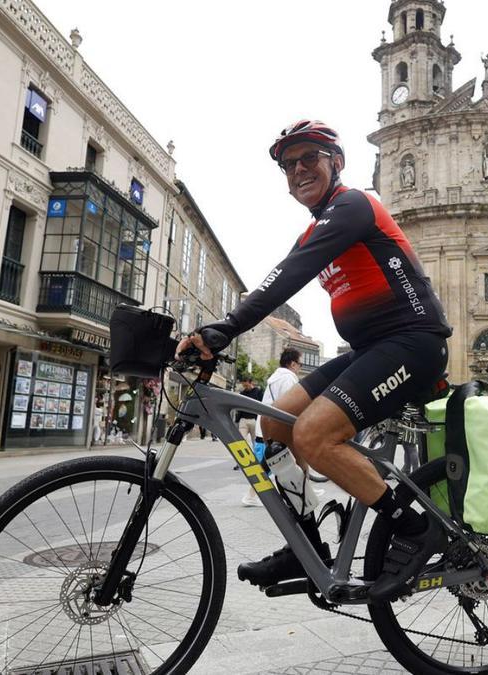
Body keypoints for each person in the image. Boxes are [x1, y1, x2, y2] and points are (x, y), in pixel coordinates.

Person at [176, 120, 452, 600]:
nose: (299, 169)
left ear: (336, 163)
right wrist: (218, 329)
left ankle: (415, 529)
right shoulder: (320, 227)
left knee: (313, 434)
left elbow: (291, 274)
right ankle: (304, 544)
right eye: (289, 164)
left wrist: (223, 330)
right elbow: (277, 276)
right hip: (371, 350)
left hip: (413, 342)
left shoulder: (354, 205)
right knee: (277, 427)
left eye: (310, 158)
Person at [241, 353, 301, 508]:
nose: (300, 368)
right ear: (293, 364)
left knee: (281, 460)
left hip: (269, 423)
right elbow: (291, 403)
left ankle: (301, 491)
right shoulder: (287, 378)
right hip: (277, 425)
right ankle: (251, 495)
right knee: (272, 461)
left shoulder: (277, 376)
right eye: (300, 364)